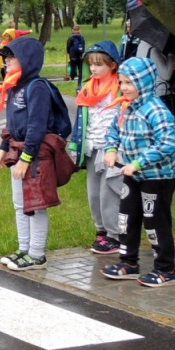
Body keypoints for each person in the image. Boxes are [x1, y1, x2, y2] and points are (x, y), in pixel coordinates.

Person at [100, 56, 175, 287]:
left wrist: (139, 163)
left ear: (143, 82)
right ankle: (129, 263)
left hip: (157, 177)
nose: (123, 88)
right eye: (121, 82)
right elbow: (113, 130)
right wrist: (111, 149)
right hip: (132, 175)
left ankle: (166, 269)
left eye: (129, 83)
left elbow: (167, 142)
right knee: (126, 218)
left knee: (155, 221)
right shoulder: (125, 107)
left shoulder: (155, 110)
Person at [0, 37, 62, 271]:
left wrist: (26, 158)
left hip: (34, 155)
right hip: (18, 151)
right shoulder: (15, 86)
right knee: (19, 204)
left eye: (11, 57)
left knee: (35, 205)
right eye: (5, 57)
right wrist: (4, 148)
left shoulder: (36, 87)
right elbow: (12, 123)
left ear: (27, 60)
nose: (6, 61)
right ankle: (24, 249)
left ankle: (37, 254)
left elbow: (36, 126)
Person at [68, 41, 123, 255]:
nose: (94, 68)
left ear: (112, 65)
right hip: (91, 147)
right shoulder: (87, 87)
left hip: (111, 149)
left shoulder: (120, 86)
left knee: (109, 192)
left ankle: (114, 235)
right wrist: (76, 144)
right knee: (93, 193)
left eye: (99, 64)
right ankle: (101, 230)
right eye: (91, 64)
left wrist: (117, 146)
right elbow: (81, 119)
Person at [66, 25, 86, 91]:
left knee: (73, 66)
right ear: (80, 30)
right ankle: (79, 82)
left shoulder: (71, 38)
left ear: (73, 30)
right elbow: (84, 45)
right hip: (80, 55)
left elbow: (68, 46)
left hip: (73, 55)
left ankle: (72, 77)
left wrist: (69, 52)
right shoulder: (82, 37)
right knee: (80, 69)